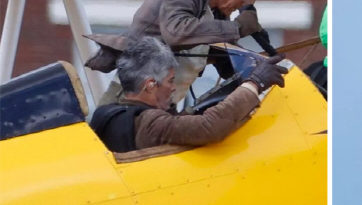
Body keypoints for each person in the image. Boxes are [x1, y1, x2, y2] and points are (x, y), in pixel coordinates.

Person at [84, 0, 269, 106]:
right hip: (130, 99)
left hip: (161, 100)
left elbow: (220, 55)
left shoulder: (216, 9)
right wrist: (236, 29)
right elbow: (176, 32)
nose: (245, 3)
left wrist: (258, 66)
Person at [90, 37, 287, 153]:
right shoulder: (150, 123)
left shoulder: (108, 113)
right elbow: (209, 127)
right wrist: (255, 83)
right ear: (150, 85)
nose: (174, 88)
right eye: (170, 81)